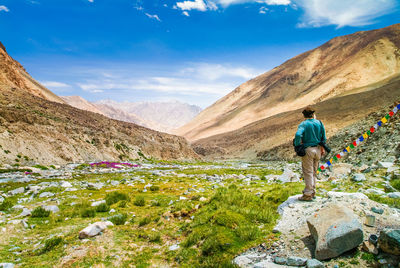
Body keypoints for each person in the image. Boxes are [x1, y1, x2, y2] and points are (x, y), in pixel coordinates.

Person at [294, 107, 326, 201]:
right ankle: (313, 192)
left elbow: (298, 135)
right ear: (313, 114)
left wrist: (297, 145)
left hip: (308, 150)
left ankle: (308, 194)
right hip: (318, 149)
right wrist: (322, 148)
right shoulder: (319, 123)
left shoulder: (303, 124)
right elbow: (323, 137)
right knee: (314, 172)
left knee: (308, 172)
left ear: (304, 115)